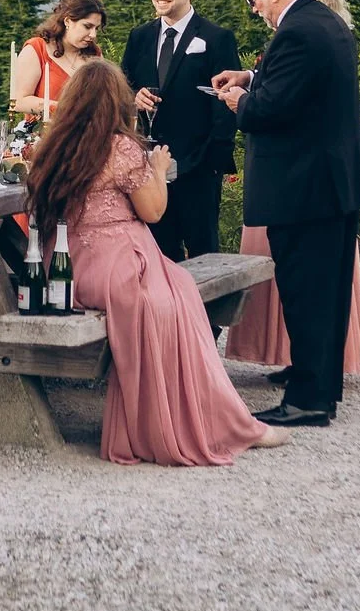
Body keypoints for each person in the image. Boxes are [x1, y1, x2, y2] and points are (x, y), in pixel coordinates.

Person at [26, 60, 287, 466]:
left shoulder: (51, 145)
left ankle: (187, 412)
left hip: (66, 268)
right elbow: (153, 213)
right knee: (179, 296)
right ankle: (206, 419)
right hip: (117, 263)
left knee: (176, 291)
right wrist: (158, 169)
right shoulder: (121, 147)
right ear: (118, 102)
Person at [213, 0, 360, 429]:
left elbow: (271, 111)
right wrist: (253, 74)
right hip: (332, 185)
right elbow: (300, 86)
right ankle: (322, 391)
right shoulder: (324, 22)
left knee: (306, 295)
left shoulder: (295, 33)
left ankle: (307, 402)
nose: (254, 6)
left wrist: (241, 98)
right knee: (326, 294)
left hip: (305, 190)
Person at [120, 0, 241, 262]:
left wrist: (210, 162)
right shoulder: (140, 37)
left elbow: (227, 106)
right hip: (149, 165)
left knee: (205, 255)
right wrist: (135, 96)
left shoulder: (216, 38)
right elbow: (122, 87)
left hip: (198, 167)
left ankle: (207, 311)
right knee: (159, 254)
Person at [12, 0, 104, 120]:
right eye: (87, 26)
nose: (93, 35)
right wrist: (63, 108)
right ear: (67, 21)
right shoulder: (37, 49)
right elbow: (19, 102)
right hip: (43, 136)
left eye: (96, 28)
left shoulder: (95, 54)